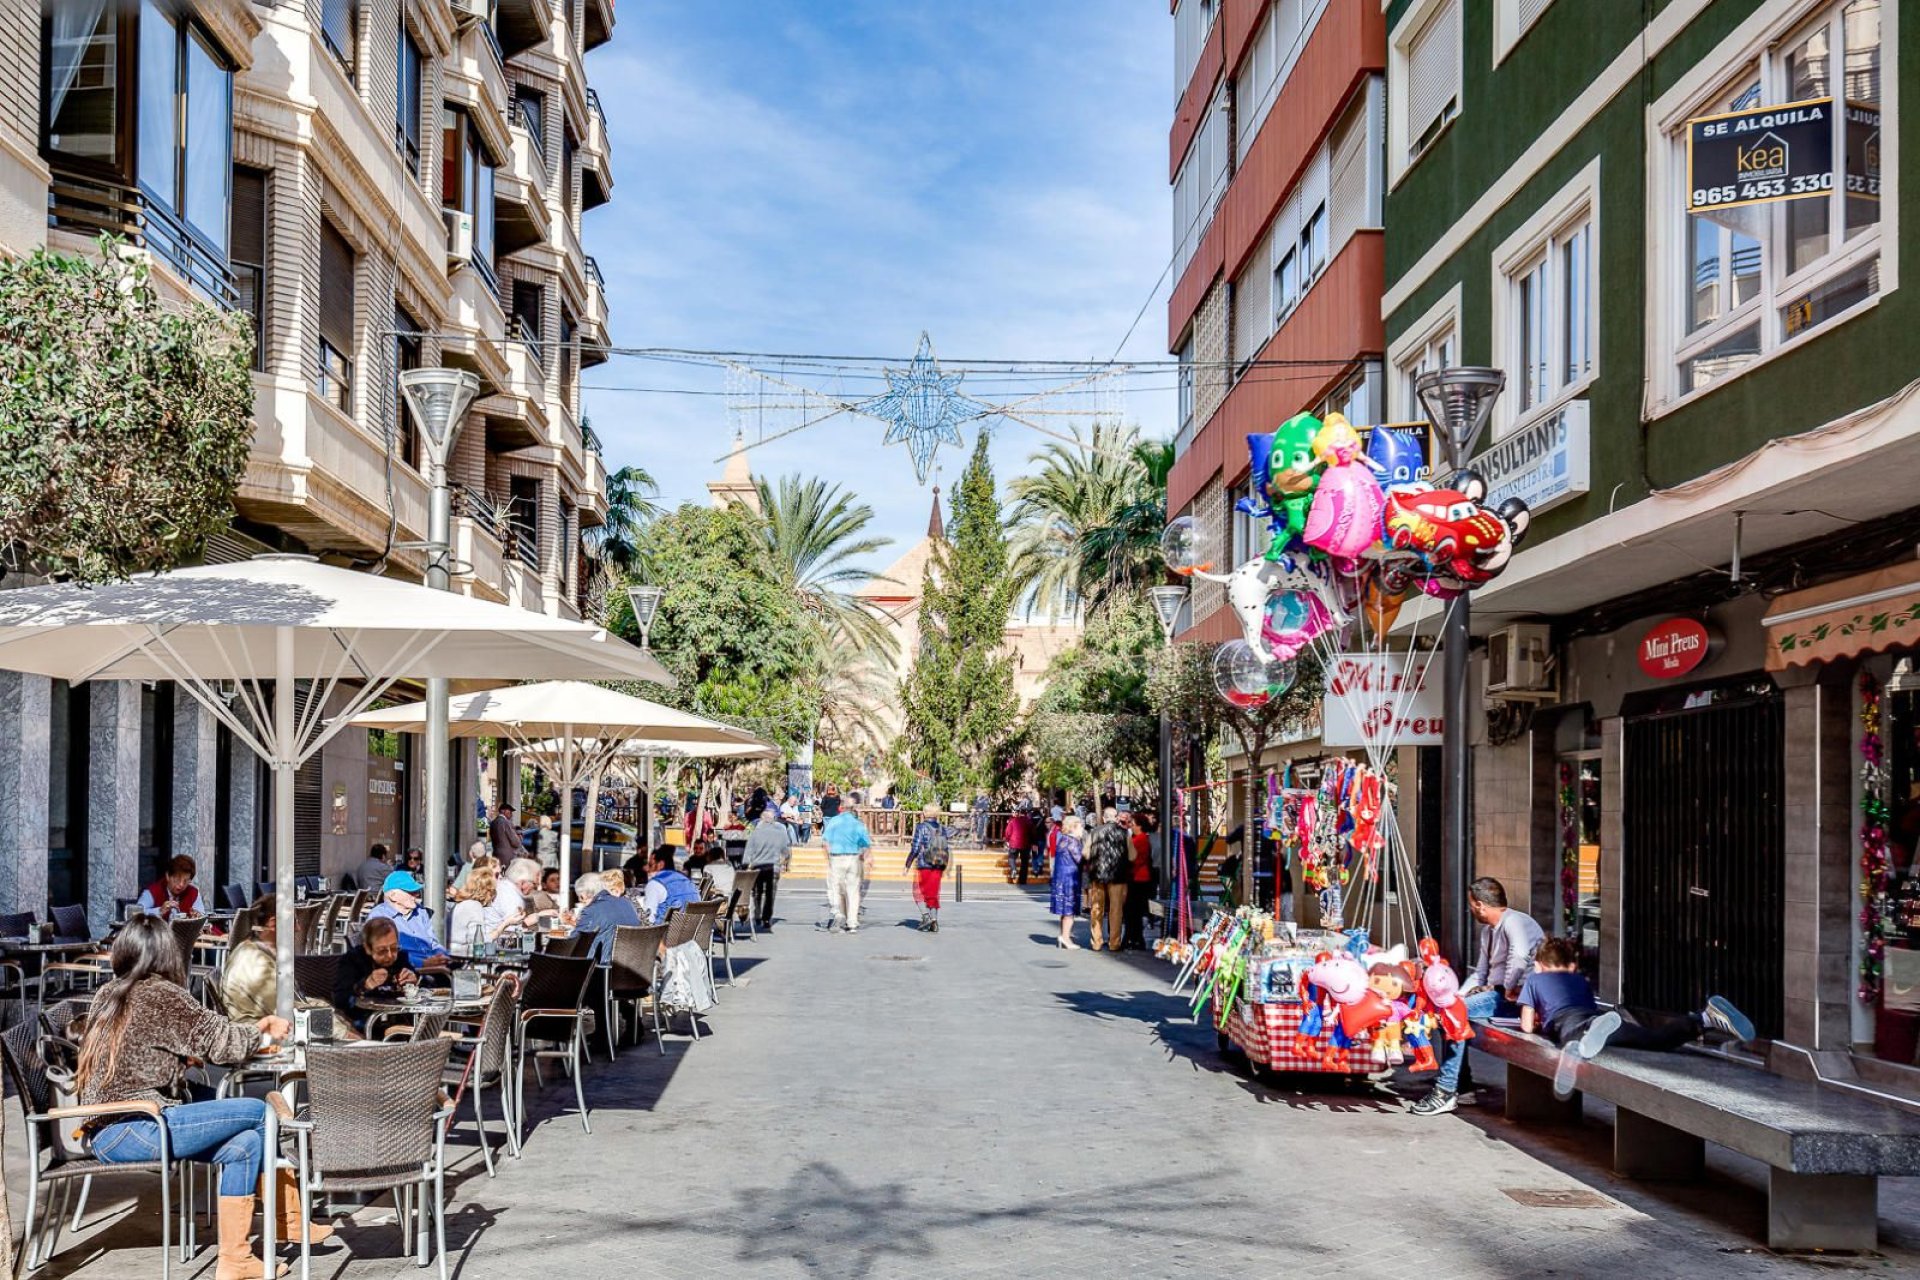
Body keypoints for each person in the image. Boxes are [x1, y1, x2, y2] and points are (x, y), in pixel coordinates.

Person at [78, 916, 326, 1276]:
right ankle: (286, 1221)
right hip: (138, 1124)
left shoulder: (108, 992)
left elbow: (141, 1046)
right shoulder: (162, 995)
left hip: (110, 1129)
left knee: (244, 1144)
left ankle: (237, 1258)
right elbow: (223, 1044)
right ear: (168, 954)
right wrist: (264, 1029)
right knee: (261, 1112)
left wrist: (179, 1054)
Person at [1517, 937, 1757, 1097]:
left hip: (1569, 1022)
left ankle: (1579, 1046)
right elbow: (1583, 1005)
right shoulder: (1580, 980)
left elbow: (1527, 1026)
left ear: (1539, 965)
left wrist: (1539, 1021)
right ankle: (1704, 1019)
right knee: (1655, 1040)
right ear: (1571, 965)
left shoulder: (1535, 979)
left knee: (1570, 1036)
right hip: (1600, 1017)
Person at [1412, 877, 1547, 1117]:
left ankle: (1446, 1090)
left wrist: (1503, 988)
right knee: (1450, 1012)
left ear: (1481, 905)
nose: (1470, 908)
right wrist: (1457, 996)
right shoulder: (1488, 932)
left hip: (1517, 1000)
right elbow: (1481, 972)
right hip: (1496, 994)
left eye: (1472, 904)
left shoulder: (1514, 922)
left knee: (1454, 1015)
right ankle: (1461, 1087)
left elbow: (1518, 959)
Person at [334, 917, 417, 1033]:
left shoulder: (401, 959)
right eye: (382, 951)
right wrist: (365, 985)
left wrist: (413, 981)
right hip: (363, 1024)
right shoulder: (352, 961)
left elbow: (422, 988)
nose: (389, 956)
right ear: (368, 948)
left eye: (394, 948)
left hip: (400, 1022)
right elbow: (340, 1000)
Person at [364, 871, 451, 972]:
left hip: (436, 966)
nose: (416, 895)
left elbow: (433, 943)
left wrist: (443, 955)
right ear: (393, 896)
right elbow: (385, 956)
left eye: (416, 891)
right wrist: (424, 963)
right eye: (410, 892)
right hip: (409, 971)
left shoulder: (420, 912)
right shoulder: (379, 917)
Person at [1084, 808, 1130, 954]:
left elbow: (1085, 853)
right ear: (1116, 818)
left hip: (1098, 874)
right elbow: (1133, 855)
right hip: (1117, 875)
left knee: (1097, 908)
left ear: (1103, 818)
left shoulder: (1094, 832)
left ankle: (1096, 942)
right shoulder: (1124, 833)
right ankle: (1114, 943)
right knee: (1116, 910)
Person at [821, 804, 872, 934]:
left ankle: (838, 912)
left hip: (836, 857)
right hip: (853, 858)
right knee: (853, 891)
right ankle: (852, 922)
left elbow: (825, 841)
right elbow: (865, 843)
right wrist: (867, 857)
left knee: (835, 887)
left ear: (841, 810)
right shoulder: (857, 824)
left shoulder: (834, 821)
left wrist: (828, 858)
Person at [569, 871, 641, 960]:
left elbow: (574, 943)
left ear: (583, 896)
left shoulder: (591, 910)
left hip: (604, 967)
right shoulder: (627, 903)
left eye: (580, 898)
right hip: (632, 965)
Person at [449, 861, 516, 955]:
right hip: (462, 958)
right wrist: (506, 923)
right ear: (487, 890)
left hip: (453, 954)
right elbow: (478, 942)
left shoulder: (462, 904)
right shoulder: (474, 906)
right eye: (493, 890)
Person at [743, 803, 791, 931]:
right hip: (773, 867)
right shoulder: (779, 832)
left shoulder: (755, 833)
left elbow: (748, 851)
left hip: (757, 867)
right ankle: (766, 917)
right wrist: (785, 863)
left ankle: (757, 914)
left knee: (757, 892)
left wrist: (745, 864)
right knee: (770, 894)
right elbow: (786, 851)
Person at [907, 806, 950, 932]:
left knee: (918, 891)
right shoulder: (942, 828)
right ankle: (934, 921)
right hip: (938, 864)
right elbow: (946, 847)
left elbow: (915, 847)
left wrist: (908, 863)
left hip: (924, 863)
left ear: (925, 813)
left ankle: (926, 916)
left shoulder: (921, 827)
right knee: (933, 892)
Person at [1051, 815, 1086, 949]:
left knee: (1064, 909)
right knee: (1069, 910)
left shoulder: (1063, 839)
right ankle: (1065, 937)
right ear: (1074, 827)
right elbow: (1080, 859)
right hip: (1070, 878)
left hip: (1061, 877)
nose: (1082, 829)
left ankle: (1064, 935)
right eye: (1080, 826)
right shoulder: (1072, 841)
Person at [1123, 813, 1156, 950]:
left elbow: (1136, 859)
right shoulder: (1137, 838)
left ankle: (1133, 938)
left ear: (1139, 826)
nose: (1131, 825)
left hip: (1138, 878)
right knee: (1133, 911)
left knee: (1132, 910)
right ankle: (1134, 937)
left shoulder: (1140, 839)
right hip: (1137, 877)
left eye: (1133, 823)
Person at [641, 845, 700, 923]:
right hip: (693, 932)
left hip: (666, 933)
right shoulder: (687, 881)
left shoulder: (655, 884)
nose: (646, 869)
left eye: (651, 865)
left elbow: (648, 920)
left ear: (660, 864)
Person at [1004, 806, 1030, 886]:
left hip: (1014, 843)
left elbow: (1007, 832)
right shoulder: (1027, 821)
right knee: (1024, 862)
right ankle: (1023, 880)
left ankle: (1014, 869)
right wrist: (1033, 842)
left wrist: (1007, 840)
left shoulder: (1012, 821)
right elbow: (1032, 832)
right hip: (1025, 844)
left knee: (1011, 857)